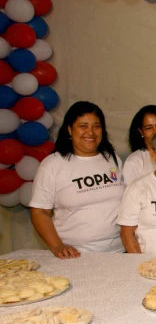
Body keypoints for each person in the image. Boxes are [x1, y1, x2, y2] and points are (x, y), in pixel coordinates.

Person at [30, 101, 126, 258]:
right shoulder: (53, 164)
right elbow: (39, 211)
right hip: (76, 255)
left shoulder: (112, 159)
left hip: (120, 251)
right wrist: (57, 246)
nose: (91, 132)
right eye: (83, 126)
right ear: (69, 129)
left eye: (96, 126)